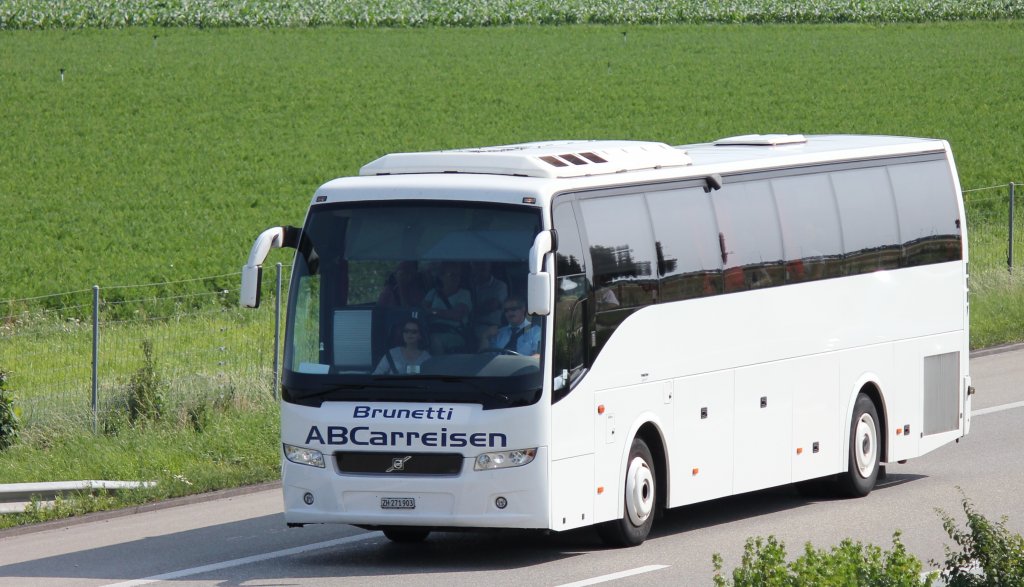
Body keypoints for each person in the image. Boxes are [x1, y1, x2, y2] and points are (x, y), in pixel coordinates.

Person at [422, 262, 473, 353]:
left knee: (435, 340)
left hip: (455, 333)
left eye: (458, 275)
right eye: (452, 275)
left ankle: (438, 367)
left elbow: (457, 315)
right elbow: (422, 311)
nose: (456, 278)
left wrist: (433, 312)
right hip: (431, 330)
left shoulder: (464, 294)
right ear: (441, 277)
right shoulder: (432, 293)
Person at [470, 261, 508, 337]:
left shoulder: (500, 286)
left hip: (490, 327)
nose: (481, 267)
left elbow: (492, 306)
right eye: (477, 264)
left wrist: (469, 311)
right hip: (468, 327)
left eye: (484, 264)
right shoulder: (467, 285)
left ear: (490, 265)